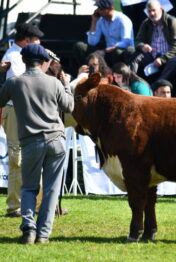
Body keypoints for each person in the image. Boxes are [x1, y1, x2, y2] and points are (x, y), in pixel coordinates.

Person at [0, 43, 74, 244]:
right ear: (44, 62)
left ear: (23, 61)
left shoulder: (14, 83)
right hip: (56, 140)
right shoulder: (54, 83)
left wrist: (1, 74)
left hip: (31, 141)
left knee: (29, 188)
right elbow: (69, 106)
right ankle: (43, 234)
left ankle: (29, 229)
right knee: (51, 190)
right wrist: (65, 83)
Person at [1, 23, 44, 217]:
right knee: (17, 159)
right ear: (26, 40)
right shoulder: (14, 56)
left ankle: (40, 204)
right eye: (36, 40)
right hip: (17, 110)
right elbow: (23, 84)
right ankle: (15, 206)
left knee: (36, 155)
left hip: (26, 110)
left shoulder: (18, 55)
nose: (39, 43)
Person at [129, 0, 176, 81]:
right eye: (149, 11)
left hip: (168, 56)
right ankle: (132, 81)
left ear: (160, 9)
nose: (151, 13)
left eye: (153, 10)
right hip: (152, 56)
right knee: (134, 55)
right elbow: (137, 41)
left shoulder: (172, 21)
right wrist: (143, 46)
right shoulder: (146, 23)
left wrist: (163, 59)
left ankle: (158, 84)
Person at [73, 0, 134, 69]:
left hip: (121, 52)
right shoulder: (100, 20)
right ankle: (87, 71)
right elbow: (92, 42)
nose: (98, 10)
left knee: (116, 52)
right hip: (106, 51)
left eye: (101, 8)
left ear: (111, 8)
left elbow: (126, 42)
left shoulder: (123, 20)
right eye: (98, 8)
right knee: (79, 46)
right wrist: (94, 21)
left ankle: (116, 74)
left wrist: (105, 50)